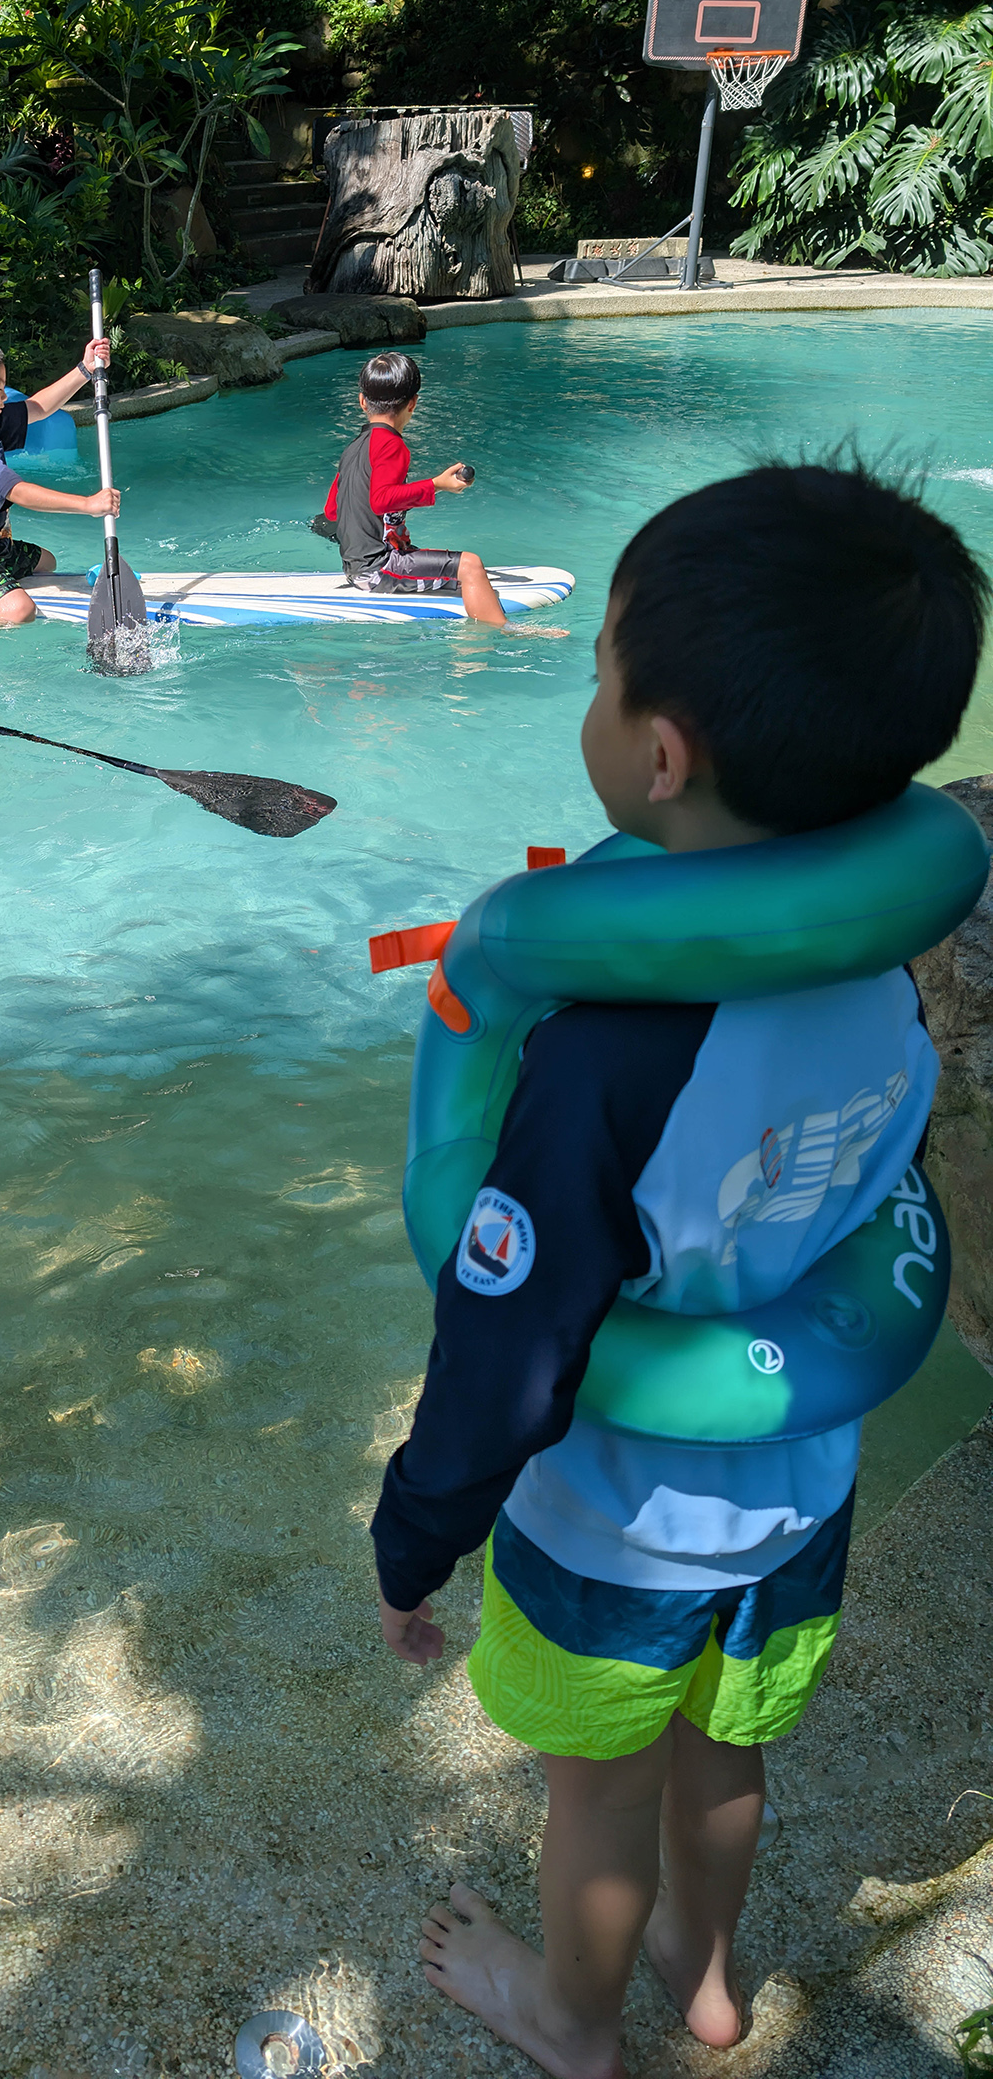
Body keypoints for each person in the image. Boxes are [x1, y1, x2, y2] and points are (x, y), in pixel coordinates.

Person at [369, 463, 987, 2079]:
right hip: (798, 1483)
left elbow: (507, 1346)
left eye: (597, 670)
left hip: (618, 1518)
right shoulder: (877, 962)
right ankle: (701, 1974)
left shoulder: (587, 1067)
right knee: (724, 1758)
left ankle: (571, 2020)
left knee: (599, 1790)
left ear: (655, 752)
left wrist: (413, 1527)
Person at [0, 329, 118, 639]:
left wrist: (85, 369)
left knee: (47, 562)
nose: (4, 398)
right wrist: (86, 504)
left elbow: (37, 408)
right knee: (20, 612)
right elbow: (18, 491)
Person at [317, 350, 507, 625]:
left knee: (445, 566)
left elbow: (332, 511)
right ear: (413, 403)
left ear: (362, 402)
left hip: (355, 568)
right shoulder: (391, 445)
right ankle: (507, 631)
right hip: (380, 570)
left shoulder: (352, 449)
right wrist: (436, 485)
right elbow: (381, 501)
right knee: (471, 565)